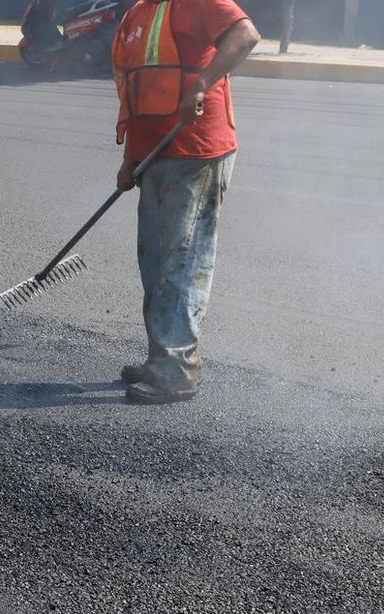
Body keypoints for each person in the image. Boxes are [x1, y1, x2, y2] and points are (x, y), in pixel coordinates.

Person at [111, 0, 260, 404]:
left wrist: (202, 82)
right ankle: (161, 357)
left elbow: (245, 34)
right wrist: (130, 158)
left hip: (196, 149)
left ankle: (176, 371)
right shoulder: (136, 14)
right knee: (155, 261)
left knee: (183, 261)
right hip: (154, 154)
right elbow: (136, 91)